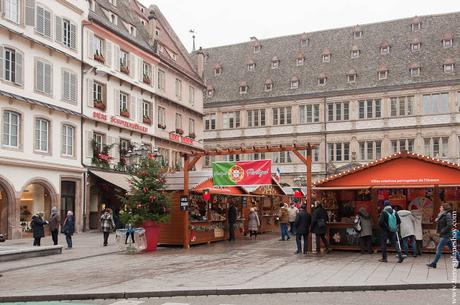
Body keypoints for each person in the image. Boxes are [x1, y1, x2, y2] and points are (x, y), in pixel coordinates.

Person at [427, 203, 460, 268]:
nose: (440, 208)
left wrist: (442, 231)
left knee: (439, 248)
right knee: (453, 249)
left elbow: (450, 225)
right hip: (445, 235)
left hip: (445, 235)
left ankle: (434, 263)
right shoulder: (442, 215)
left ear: (444, 208)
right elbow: (442, 222)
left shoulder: (447, 215)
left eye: (441, 207)